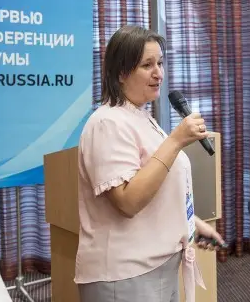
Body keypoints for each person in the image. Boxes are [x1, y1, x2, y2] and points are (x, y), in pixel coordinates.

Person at [74, 25, 226, 302]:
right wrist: (176, 140)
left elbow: (155, 185)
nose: (158, 73)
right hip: (124, 275)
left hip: (158, 266)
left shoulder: (141, 117)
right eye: (147, 65)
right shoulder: (107, 123)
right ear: (121, 72)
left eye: (160, 63)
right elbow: (128, 201)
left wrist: (191, 223)